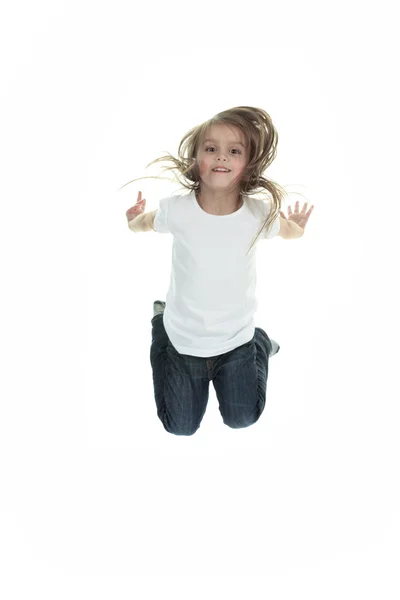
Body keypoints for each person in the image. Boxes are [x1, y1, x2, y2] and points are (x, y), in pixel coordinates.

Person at [124, 106, 314, 436]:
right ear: (197, 160)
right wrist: (132, 220)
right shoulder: (177, 209)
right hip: (184, 340)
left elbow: (288, 232)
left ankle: (261, 342)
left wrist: (297, 227)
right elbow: (145, 223)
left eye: (234, 151)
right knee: (179, 427)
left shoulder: (258, 214)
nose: (221, 157)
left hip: (236, 339)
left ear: (247, 165)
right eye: (211, 149)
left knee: (242, 418)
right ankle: (160, 324)